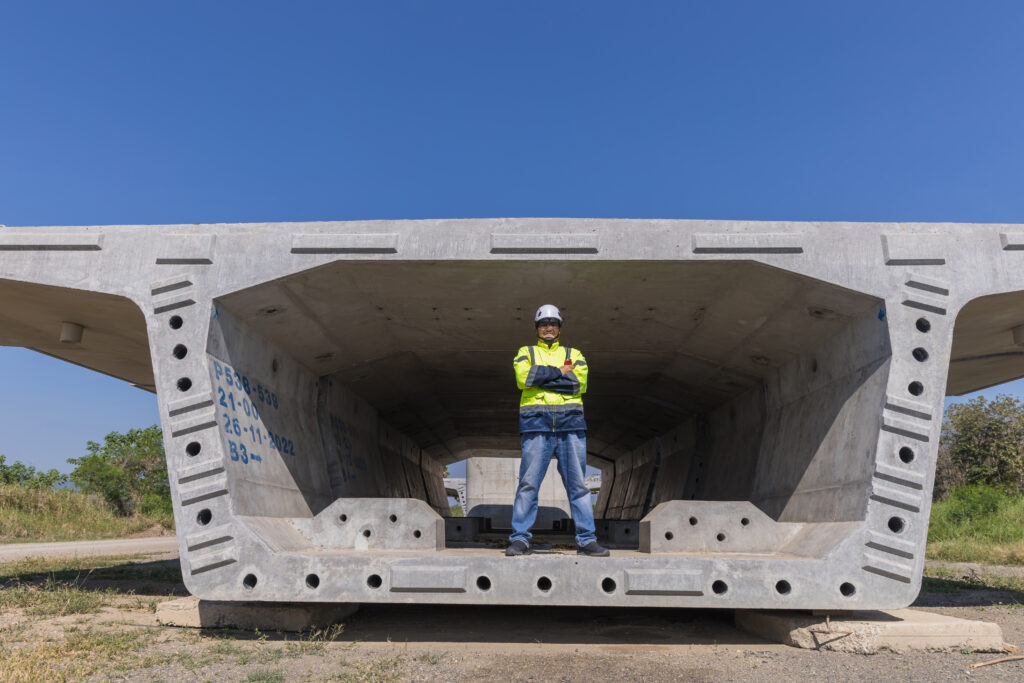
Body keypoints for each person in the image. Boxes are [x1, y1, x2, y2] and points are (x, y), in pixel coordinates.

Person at [506, 304, 609, 557]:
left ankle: (586, 541)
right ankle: (520, 539)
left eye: (553, 323)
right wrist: (560, 372)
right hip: (536, 424)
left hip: (570, 425)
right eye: (543, 324)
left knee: (578, 486)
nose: (548, 327)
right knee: (528, 484)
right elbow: (523, 379)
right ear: (537, 328)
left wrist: (543, 377)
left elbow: (578, 384)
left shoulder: (575, 353)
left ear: (559, 328)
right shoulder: (525, 352)